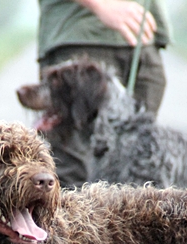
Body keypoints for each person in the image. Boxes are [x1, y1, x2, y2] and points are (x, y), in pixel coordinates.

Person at [37, 0, 173, 185]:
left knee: (138, 183)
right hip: (80, 33)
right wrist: (101, 4)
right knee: (72, 179)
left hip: (144, 39)